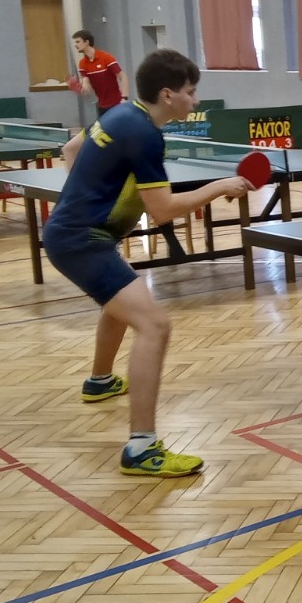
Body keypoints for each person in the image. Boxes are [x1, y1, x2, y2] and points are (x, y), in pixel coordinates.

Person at [42, 49, 253, 478]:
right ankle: (141, 448)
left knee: (121, 302)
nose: (195, 100)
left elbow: (71, 148)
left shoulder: (120, 113)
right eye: (191, 92)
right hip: (81, 241)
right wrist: (219, 186)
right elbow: (162, 211)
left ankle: (100, 381)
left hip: (73, 232)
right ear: (167, 94)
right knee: (155, 325)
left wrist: (86, 194)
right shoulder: (144, 134)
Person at [72, 29, 129, 116]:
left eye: (78, 42)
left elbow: (122, 76)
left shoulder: (106, 57)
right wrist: (79, 88)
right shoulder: (82, 63)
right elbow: (87, 88)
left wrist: (124, 97)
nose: (75, 45)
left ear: (86, 42)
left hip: (116, 104)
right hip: (101, 106)